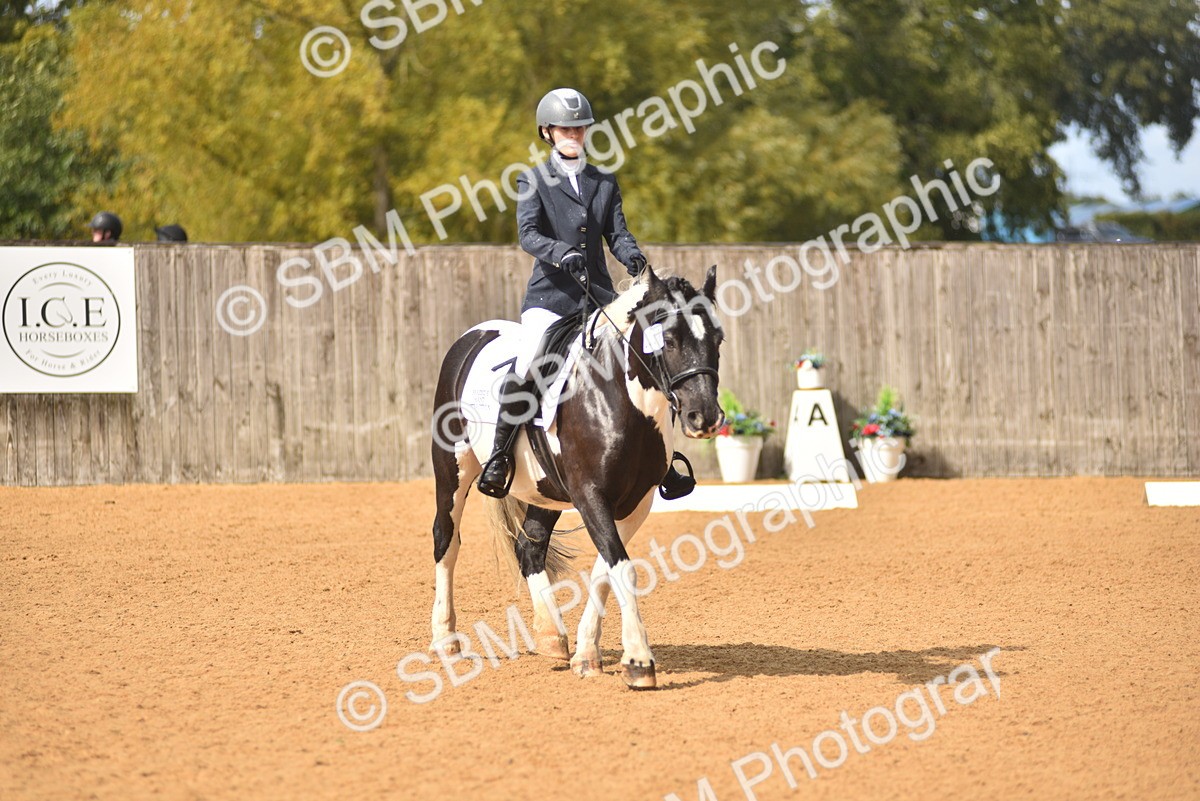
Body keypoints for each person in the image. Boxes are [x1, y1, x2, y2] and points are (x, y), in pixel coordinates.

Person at [477, 87, 690, 500]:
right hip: (550, 300)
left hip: (599, 299)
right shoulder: (533, 180)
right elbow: (529, 235)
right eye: (564, 127)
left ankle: (659, 463)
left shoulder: (604, 182)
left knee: (651, 356)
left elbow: (618, 234)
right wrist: (561, 254)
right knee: (528, 364)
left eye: (579, 127)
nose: (573, 133)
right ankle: (500, 457)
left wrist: (634, 259)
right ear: (548, 131)